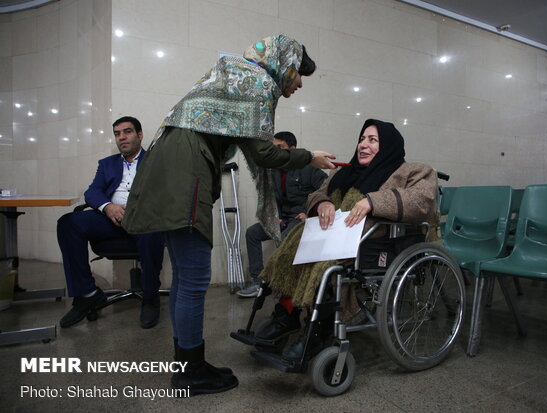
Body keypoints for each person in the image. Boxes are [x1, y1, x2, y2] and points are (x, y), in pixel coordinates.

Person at [122, 35, 335, 396]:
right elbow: (266, 154)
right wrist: (309, 156)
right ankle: (190, 372)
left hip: (168, 164)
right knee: (193, 278)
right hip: (185, 172)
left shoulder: (236, 73)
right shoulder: (257, 82)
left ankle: (186, 362)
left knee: (184, 277)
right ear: (285, 65)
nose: (298, 84)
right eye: (299, 74)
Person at [254, 118, 439, 361]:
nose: (363, 144)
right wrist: (324, 203)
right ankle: (286, 315)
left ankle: (318, 329)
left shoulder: (411, 171)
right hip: (332, 236)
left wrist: (373, 201)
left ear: (389, 146)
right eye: (362, 139)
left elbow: (421, 201)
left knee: (324, 266)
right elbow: (317, 193)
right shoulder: (345, 172)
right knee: (292, 251)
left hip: (371, 243)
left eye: (373, 140)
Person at [57, 116, 165, 329]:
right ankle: (87, 294)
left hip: (144, 221)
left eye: (127, 131)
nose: (122, 137)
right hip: (111, 220)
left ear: (140, 135)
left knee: (152, 230)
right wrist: (108, 207)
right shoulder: (106, 164)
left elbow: (165, 193)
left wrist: (140, 211)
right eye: (117, 133)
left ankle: (151, 297)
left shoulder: (156, 160)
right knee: (68, 222)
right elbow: (92, 192)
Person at [238, 131, 327, 298]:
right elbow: (271, 197)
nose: (277, 153)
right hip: (283, 219)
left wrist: (309, 214)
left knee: (286, 238)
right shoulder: (274, 171)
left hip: (302, 220)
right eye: (275, 149)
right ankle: (258, 281)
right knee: (252, 233)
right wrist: (274, 216)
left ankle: (284, 284)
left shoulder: (310, 169)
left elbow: (326, 191)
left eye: (281, 148)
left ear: (293, 149)